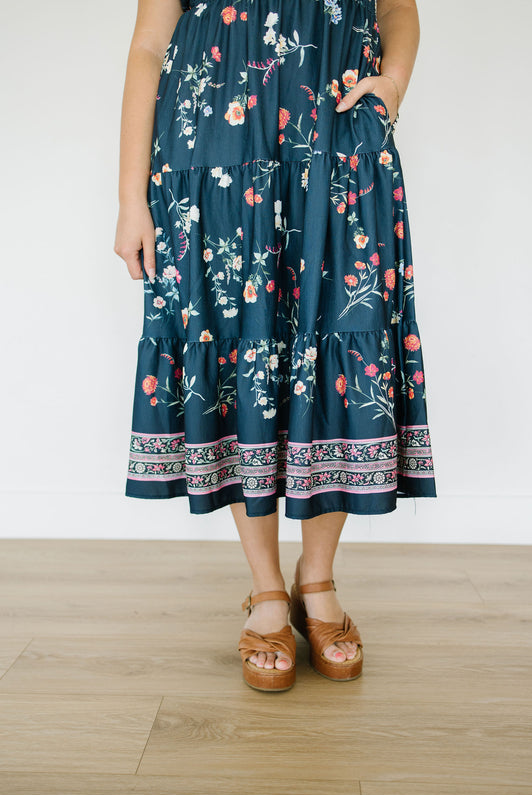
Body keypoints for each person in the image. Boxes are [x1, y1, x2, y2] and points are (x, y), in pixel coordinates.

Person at [114, 0, 436, 691]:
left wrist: (394, 82)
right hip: (212, 160)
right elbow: (148, 45)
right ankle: (264, 589)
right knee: (239, 357)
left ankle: (314, 580)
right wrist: (130, 199)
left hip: (342, 151)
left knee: (343, 351)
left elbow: (397, 7)